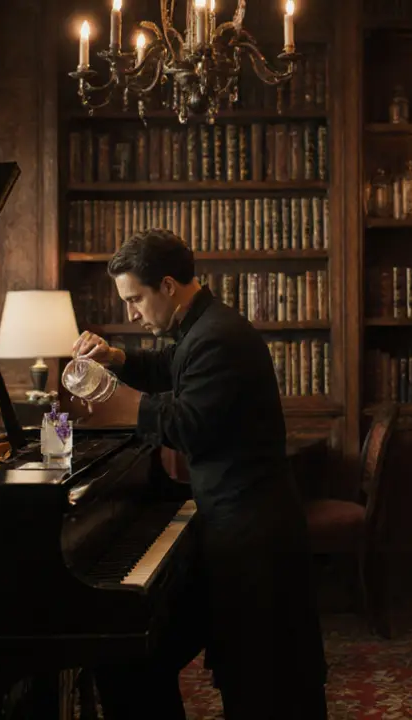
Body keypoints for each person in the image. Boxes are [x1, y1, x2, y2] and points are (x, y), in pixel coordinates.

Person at [73, 229, 327, 720]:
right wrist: (118, 359)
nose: (131, 313)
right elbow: (172, 365)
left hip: (252, 537)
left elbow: (188, 427)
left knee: (263, 684)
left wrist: (115, 399)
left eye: (135, 299)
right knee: (148, 660)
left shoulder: (219, 337)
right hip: (236, 522)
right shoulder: (205, 326)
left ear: (167, 285)